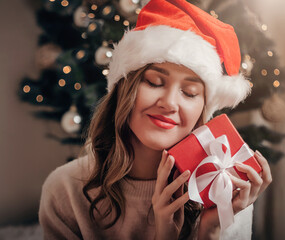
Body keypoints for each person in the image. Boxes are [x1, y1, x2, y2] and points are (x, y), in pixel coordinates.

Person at [39, 0, 272, 239]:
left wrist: (210, 231)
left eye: (190, 93)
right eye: (153, 82)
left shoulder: (226, 193)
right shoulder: (64, 190)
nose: (169, 103)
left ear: (203, 111)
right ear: (124, 90)